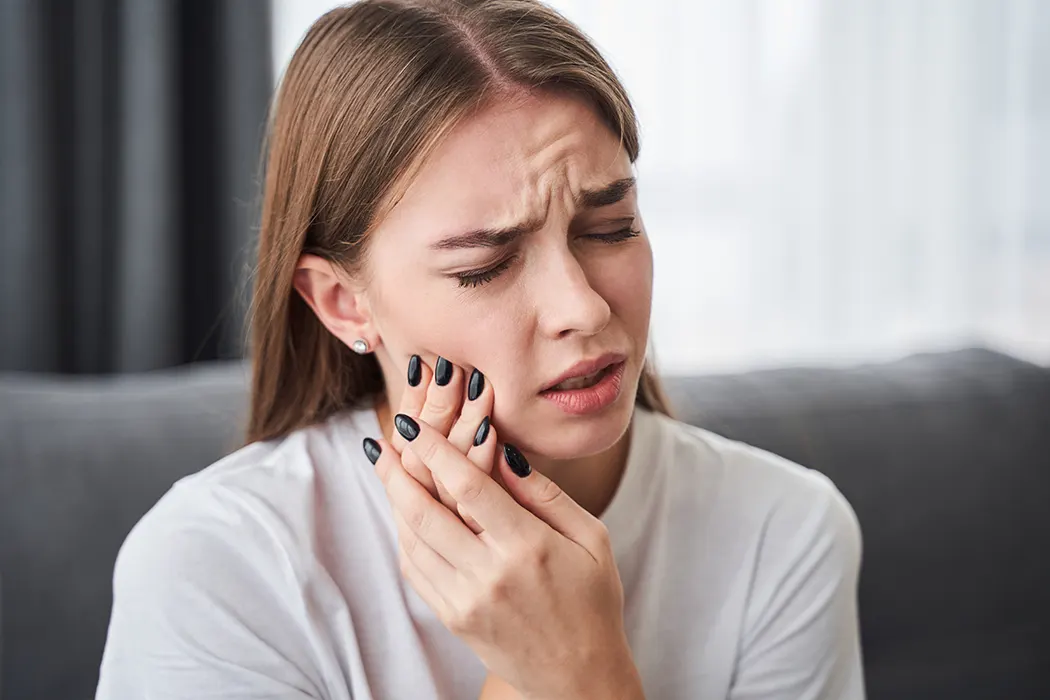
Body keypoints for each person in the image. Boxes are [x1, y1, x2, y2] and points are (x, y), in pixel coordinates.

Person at [95, 1, 865, 698]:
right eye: (484, 267)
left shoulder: (782, 532)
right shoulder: (215, 565)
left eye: (612, 228)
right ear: (343, 303)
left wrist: (583, 674)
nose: (584, 308)